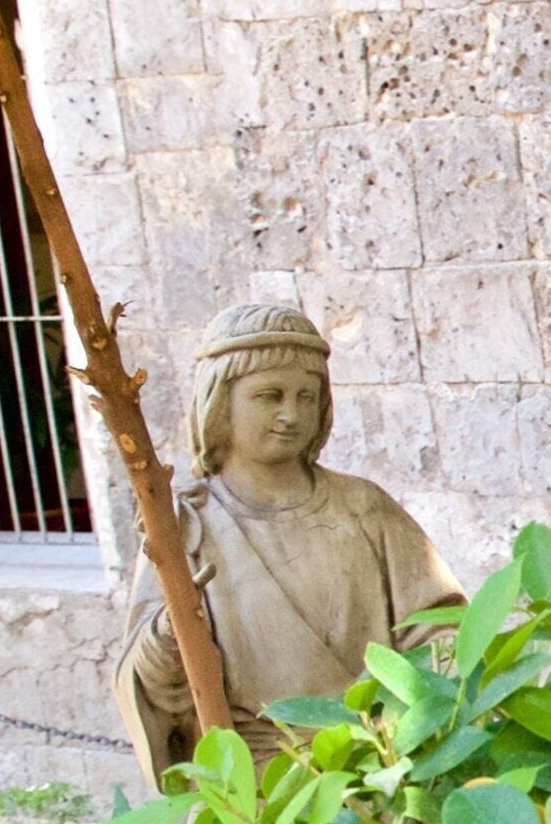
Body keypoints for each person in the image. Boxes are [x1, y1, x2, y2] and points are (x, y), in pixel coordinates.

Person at [113, 304, 463, 776]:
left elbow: (441, 626)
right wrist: (167, 637)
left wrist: (423, 717)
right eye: (269, 395)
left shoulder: (364, 508)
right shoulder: (185, 525)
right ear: (220, 401)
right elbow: (151, 685)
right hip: (258, 776)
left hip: (381, 764)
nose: (290, 414)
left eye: (307, 396)